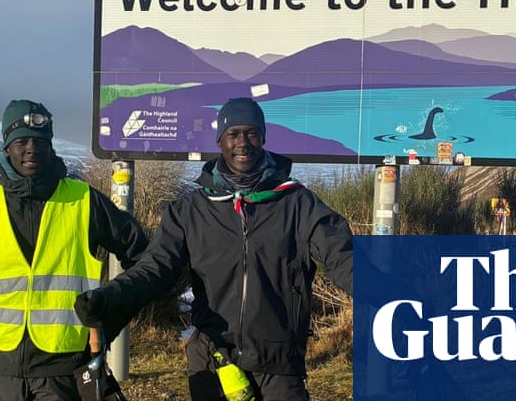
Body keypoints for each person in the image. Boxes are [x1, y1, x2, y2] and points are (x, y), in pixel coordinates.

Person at [74, 97, 354, 400]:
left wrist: (381, 293)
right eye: (233, 134)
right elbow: (154, 268)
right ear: (220, 140)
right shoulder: (190, 210)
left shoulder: (298, 204)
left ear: (263, 138)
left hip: (278, 363)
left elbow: (343, 258)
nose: (243, 143)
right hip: (212, 361)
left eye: (252, 133)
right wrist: (110, 298)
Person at [0, 99, 148, 400]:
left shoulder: (84, 200)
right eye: (21, 141)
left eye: (40, 141)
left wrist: (109, 311)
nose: (32, 149)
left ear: (51, 146)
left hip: (62, 372)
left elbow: (147, 259)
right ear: (7, 147)